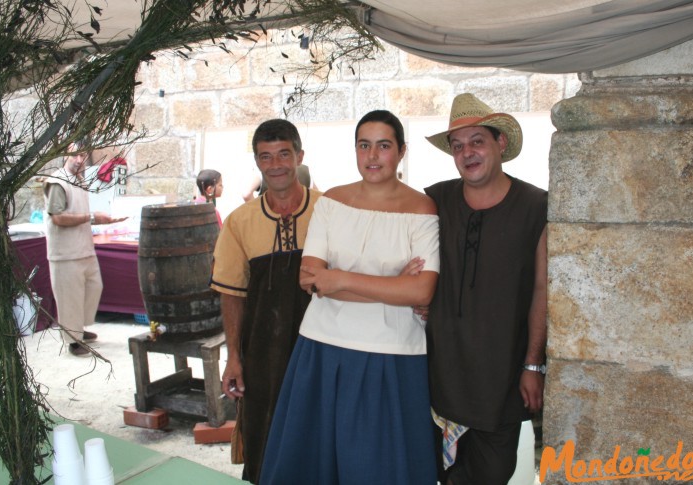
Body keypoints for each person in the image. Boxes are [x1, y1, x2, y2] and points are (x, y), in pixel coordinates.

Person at [260, 110, 440, 484]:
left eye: (384, 146)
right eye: (364, 145)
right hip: (323, 347)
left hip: (393, 352)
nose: (373, 156)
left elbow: (422, 289)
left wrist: (339, 279)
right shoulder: (332, 202)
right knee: (314, 463)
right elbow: (311, 280)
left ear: (402, 151)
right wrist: (393, 287)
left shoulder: (422, 208)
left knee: (379, 466)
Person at [423, 93, 548, 485]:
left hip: (502, 381)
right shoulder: (433, 200)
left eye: (477, 141)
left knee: (491, 476)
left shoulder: (536, 206)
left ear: (501, 143)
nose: (467, 153)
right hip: (439, 379)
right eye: (458, 146)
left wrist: (533, 364)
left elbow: (543, 290)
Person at [210, 119, 322, 484]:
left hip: (322, 348)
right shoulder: (239, 223)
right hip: (262, 352)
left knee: (319, 433)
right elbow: (232, 295)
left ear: (299, 156)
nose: (276, 165)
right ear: (257, 162)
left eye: (284, 154)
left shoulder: (329, 210)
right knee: (265, 435)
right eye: (266, 156)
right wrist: (234, 359)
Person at [44, 140, 127, 356]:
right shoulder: (57, 182)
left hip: (83, 248)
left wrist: (102, 220)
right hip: (65, 252)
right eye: (75, 156)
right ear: (65, 155)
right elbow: (59, 219)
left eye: (82, 156)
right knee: (69, 298)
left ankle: (78, 329)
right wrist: (93, 218)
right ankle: (73, 339)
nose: (79, 161)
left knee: (93, 287)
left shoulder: (79, 180)